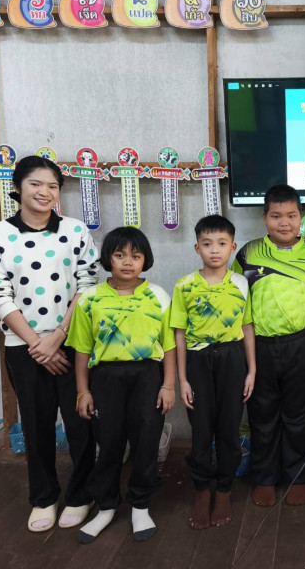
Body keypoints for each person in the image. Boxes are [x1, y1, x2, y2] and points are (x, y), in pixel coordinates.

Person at [0, 155, 98, 532]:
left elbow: (88, 284)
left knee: (81, 423)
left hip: (73, 340)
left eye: (52, 186)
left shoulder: (75, 231)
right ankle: (44, 498)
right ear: (17, 187)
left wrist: (59, 336)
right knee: (36, 424)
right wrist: (37, 344)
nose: (45, 192)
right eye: (36, 184)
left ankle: (81, 494)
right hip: (23, 346)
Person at [69, 227, 177, 543]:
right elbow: (82, 349)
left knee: (146, 441)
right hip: (105, 378)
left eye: (135, 256)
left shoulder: (158, 295)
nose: (128, 262)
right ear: (108, 258)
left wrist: (168, 385)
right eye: (119, 255)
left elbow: (170, 345)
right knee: (108, 443)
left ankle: (140, 505)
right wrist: (83, 390)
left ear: (145, 260)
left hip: (148, 376)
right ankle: (106, 505)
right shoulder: (90, 298)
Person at [232, 185, 305, 508]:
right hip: (259, 346)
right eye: (276, 216)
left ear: (301, 218)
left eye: (291, 215)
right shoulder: (247, 254)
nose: (284, 223)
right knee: (262, 413)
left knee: (300, 414)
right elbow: (234, 301)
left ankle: (298, 476)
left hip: (302, 343)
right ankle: (265, 477)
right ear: (264, 218)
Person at [172, 215, 257, 529]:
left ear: (233, 247)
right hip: (197, 361)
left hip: (233, 359)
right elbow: (179, 334)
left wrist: (252, 370)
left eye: (222, 243)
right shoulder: (184, 286)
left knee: (229, 429)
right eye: (207, 244)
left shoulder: (241, 284)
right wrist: (182, 379)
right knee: (201, 429)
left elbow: (247, 327)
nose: (215, 250)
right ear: (197, 248)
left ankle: (223, 490)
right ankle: (201, 491)